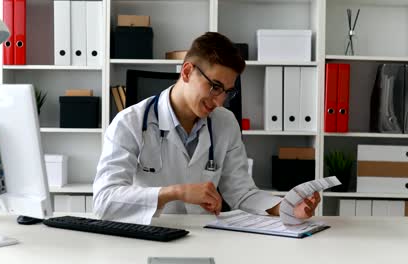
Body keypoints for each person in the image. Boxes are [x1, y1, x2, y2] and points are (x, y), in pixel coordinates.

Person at [93, 32, 320, 225]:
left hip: (208, 235)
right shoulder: (129, 122)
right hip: (152, 234)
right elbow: (104, 201)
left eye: (227, 92)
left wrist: (287, 207)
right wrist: (176, 192)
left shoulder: (225, 122)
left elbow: (241, 193)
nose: (220, 101)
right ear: (186, 72)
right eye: (215, 87)